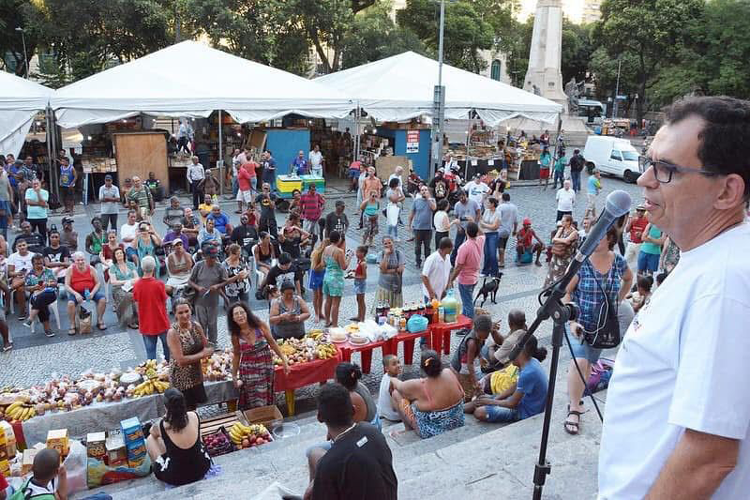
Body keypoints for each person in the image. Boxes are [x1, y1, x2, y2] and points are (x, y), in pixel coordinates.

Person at [599, 96, 750, 498]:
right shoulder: (710, 259)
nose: (643, 179)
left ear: (727, 191)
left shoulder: (722, 284)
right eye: (650, 162)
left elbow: (709, 456)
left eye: (666, 169)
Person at [563, 226, 632, 435]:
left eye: (600, 236)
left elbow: (629, 279)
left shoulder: (618, 261)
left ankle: (577, 396)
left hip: (603, 327)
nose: (594, 240)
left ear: (610, 239)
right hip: (580, 324)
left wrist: (618, 300)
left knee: (588, 366)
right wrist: (572, 320)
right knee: (580, 361)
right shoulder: (581, 262)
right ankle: (574, 407)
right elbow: (565, 291)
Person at [305, 383, 397, 500]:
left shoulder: (329, 465)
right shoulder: (373, 432)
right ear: (353, 410)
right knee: (314, 453)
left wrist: (319, 484)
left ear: (319, 417)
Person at [468, 335, 548, 423]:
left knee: (479, 412)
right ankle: (461, 409)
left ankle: (461, 410)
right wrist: (494, 399)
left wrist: (491, 402)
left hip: (525, 412)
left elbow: (512, 404)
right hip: (522, 402)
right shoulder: (531, 362)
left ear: (520, 351)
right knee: (481, 399)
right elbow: (515, 386)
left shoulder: (528, 373)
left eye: (514, 347)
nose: (512, 350)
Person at [391, 349, 465, 439]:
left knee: (396, 394)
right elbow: (462, 393)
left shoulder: (419, 385)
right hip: (458, 422)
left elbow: (399, 386)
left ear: (422, 368)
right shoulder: (448, 372)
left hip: (432, 431)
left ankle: (408, 428)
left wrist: (392, 379)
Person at [146, 388, 212, 487]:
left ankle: (160, 462)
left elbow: (152, 432)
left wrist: (166, 417)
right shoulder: (194, 415)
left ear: (166, 407)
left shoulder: (162, 425)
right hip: (201, 467)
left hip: (176, 477)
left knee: (150, 439)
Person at [229, 302, 288, 410]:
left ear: (247, 313)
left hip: (265, 367)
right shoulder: (235, 335)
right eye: (236, 314)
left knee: (265, 396)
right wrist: (234, 375)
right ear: (233, 318)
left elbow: (272, 343)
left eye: (242, 312)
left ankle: (266, 420)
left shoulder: (259, 325)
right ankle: (256, 422)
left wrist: (283, 360)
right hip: (248, 371)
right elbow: (237, 355)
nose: (240, 316)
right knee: (252, 399)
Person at [167, 301, 213, 410]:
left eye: (187, 311)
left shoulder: (196, 326)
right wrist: (202, 354)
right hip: (181, 379)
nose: (184, 315)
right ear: (175, 314)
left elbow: (205, 345)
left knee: (194, 407)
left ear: (191, 310)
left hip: (196, 375)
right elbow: (181, 360)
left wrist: (210, 349)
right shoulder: (173, 333)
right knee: (184, 410)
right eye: (180, 313)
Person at [132, 255, 171, 360]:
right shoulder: (159, 284)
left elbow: (136, 304)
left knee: (150, 353)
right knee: (168, 350)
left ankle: (153, 373)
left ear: (142, 268)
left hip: (146, 323)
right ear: (154, 267)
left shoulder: (137, 285)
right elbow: (164, 302)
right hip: (161, 321)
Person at [188, 244, 229, 345]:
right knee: (201, 324)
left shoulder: (220, 267)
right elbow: (190, 281)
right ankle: (202, 343)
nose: (214, 260)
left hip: (213, 301)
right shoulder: (198, 266)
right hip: (199, 300)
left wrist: (218, 286)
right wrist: (198, 288)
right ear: (205, 257)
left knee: (212, 324)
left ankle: (213, 343)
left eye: (215, 257)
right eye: (211, 257)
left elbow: (225, 281)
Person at [450, 314, 492, 402]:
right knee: (467, 391)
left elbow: (479, 346)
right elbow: (470, 364)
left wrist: (480, 357)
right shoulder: (472, 342)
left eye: (485, 337)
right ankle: (464, 405)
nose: (482, 339)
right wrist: (474, 381)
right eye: (480, 337)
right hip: (462, 366)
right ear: (475, 330)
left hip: (467, 364)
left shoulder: (480, 336)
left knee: (471, 387)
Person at [448, 222, 484, 319]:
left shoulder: (464, 247)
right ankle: (464, 321)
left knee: (467, 304)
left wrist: (451, 279)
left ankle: (469, 326)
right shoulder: (480, 240)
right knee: (466, 301)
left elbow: (459, 266)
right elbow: (483, 234)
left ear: (466, 232)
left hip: (465, 280)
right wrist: (475, 223)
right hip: (474, 277)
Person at [65, 251, 107, 334]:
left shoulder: (91, 268)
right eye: (78, 260)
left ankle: (100, 320)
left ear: (85, 260)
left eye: (82, 260)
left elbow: (98, 283)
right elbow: (67, 285)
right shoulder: (70, 270)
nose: (80, 262)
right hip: (76, 292)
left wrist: (93, 293)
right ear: (74, 261)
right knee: (70, 304)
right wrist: (76, 294)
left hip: (90, 291)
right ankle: (72, 324)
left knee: (102, 299)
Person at [23, 254, 57, 337]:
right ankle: (47, 329)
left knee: (41, 298)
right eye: (37, 264)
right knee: (41, 300)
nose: (39, 265)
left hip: (50, 293)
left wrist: (47, 284)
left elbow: (55, 283)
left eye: (41, 263)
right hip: (35, 294)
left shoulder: (48, 271)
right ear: (33, 264)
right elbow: (26, 288)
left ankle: (31, 318)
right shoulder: (29, 274)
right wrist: (34, 287)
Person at [322, 231, 350, 327]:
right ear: (339, 239)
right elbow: (344, 266)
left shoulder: (326, 249)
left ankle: (327, 321)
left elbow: (324, 263)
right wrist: (349, 257)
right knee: (335, 303)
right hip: (336, 278)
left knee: (328, 300)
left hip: (327, 276)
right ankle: (335, 325)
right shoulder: (339, 251)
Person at [108, 247, 138, 329]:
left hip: (131, 285)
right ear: (115, 256)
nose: (119, 255)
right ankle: (130, 320)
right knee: (128, 296)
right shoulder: (113, 267)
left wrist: (130, 282)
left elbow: (137, 278)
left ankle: (140, 317)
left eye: (121, 253)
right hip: (118, 288)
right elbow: (113, 282)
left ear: (124, 254)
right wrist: (126, 282)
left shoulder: (131, 264)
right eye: (117, 254)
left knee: (140, 293)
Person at [373, 235, 404, 313]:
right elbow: (383, 270)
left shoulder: (399, 253)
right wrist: (386, 256)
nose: (387, 245)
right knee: (383, 310)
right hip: (384, 286)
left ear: (393, 243)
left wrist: (388, 270)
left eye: (389, 243)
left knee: (396, 310)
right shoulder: (381, 254)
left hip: (396, 286)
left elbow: (401, 269)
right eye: (385, 244)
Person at [543, 214, 577, 283]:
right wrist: (563, 240)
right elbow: (553, 239)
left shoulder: (574, 232)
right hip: (557, 253)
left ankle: (559, 287)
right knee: (553, 272)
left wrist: (558, 239)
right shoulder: (561, 229)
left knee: (562, 272)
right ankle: (550, 286)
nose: (562, 223)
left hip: (566, 256)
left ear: (569, 222)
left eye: (563, 221)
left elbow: (567, 241)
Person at [408, 185, 436, 267]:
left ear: (428, 191)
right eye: (422, 190)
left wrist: (428, 199)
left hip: (428, 228)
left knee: (427, 247)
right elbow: (412, 213)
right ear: (420, 192)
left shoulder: (432, 200)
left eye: (425, 190)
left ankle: (427, 262)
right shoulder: (416, 201)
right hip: (418, 228)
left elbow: (434, 208)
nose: (424, 191)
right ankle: (418, 261)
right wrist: (409, 225)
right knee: (417, 247)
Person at [451, 190, 481, 265]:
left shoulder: (473, 203)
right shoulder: (457, 205)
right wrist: (458, 227)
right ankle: (453, 261)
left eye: (462, 198)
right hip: (462, 227)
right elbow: (456, 217)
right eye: (459, 198)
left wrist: (476, 223)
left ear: (465, 195)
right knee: (457, 245)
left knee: (470, 245)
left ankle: (469, 261)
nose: (461, 200)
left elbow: (478, 212)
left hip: (471, 227)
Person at [8, 239, 34, 320]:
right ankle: (22, 310)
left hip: (31, 276)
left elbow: (37, 270)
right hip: (18, 277)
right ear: (16, 247)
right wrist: (18, 273)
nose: (22, 247)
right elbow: (10, 273)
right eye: (20, 246)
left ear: (27, 245)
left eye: (23, 245)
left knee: (20, 284)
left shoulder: (33, 255)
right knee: (19, 289)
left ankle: (10, 288)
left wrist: (27, 274)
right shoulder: (12, 256)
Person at [422, 237, 453, 304]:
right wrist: (431, 292)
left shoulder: (447, 257)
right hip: (432, 295)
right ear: (446, 248)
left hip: (442, 294)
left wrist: (448, 286)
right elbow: (424, 276)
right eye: (451, 248)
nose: (452, 250)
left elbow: (449, 271)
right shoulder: (432, 259)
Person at [479, 197, 501, 277]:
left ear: (492, 204)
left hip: (493, 234)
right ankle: (485, 271)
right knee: (486, 253)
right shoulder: (487, 211)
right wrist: (487, 226)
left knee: (492, 254)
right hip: (486, 234)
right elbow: (482, 222)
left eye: (488, 203)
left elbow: (495, 227)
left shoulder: (498, 213)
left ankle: (494, 272)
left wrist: (485, 225)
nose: (487, 204)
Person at [309, 237, 328, 323]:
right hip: (315, 274)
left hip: (323, 273)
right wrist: (323, 263)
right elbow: (314, 268)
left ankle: (320, 312)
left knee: (321, 294)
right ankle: (316, 313)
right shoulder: (316, 253)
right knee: (316, 295)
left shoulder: (328, 254)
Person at [624, 204, 649, 270]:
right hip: (631, 243)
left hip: (641, 244)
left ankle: (640, 276)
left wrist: (642, 234)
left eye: (642, 211)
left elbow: (649, 234)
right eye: (638, 210)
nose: (640, 212)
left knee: (640, 263)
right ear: (636, 211)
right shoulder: (633, 219)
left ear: (644, 212)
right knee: (625, 261)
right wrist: (630, 221)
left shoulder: (647, 221)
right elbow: (626, 230)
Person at [378, 355, 402, 422]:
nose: (398, 365)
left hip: (384, 412)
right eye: (394, 364)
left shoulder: (385, 376)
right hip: (393, 416)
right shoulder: (393, 384)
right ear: (387, 369)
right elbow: (395, 407)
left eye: (398, 362)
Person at [24, 179, 49, 245]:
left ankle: (43, 247)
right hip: (31, 216)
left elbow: (43, 202)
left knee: (43, 234)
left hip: (42, 216)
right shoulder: (28, 191)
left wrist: (38, 193)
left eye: (37, 184)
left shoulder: (45, 192)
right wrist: (40, 204)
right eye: (34, 184)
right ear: (31, 185)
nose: (35, 185)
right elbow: (28, 202)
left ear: (40, 184)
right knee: (30, 233)